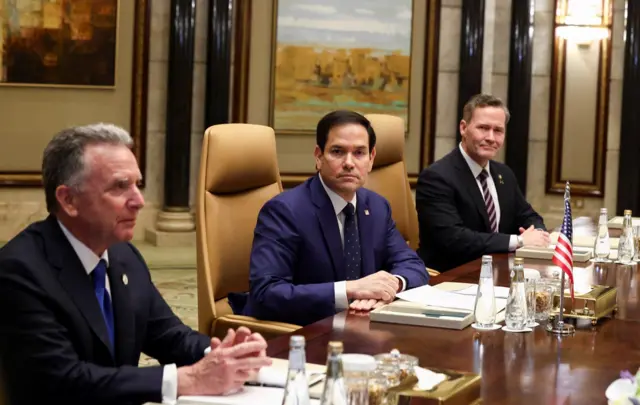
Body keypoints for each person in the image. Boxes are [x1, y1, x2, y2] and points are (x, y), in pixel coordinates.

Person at [0, 124, 271, 405]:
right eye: (120, 187)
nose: (139, 201)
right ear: (69, 200)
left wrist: (222, 355)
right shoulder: (20, 271)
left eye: (137, 184)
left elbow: (170, 337)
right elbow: (64, 380)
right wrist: (187, 379)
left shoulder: (122, 256)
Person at [228, 110, 429, 326]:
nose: (349, 163)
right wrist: (351, 289)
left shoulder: (377, 207)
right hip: (301, 332)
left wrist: (392, 285)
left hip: (359, 326)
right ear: (318, 156)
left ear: (371, 159)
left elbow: (412, 265)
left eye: (359, 153)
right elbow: (266, 294)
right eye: (337, 151)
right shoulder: (285, 211)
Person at [415, 94, 549, 272]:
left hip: (498, 272)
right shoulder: (436, 177)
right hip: (451, 278)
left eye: (498, 130)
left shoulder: (504, 174)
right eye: (483, 128)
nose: (491, 138)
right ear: (464, 128)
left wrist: (538, 234)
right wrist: (520, 241)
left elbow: (528, 215)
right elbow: (453, 239)